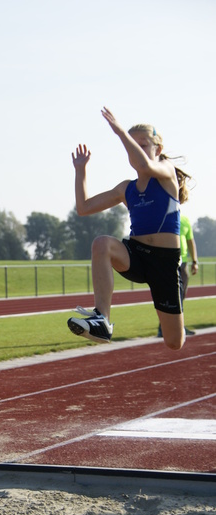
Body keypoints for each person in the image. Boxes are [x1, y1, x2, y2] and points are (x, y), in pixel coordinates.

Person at [68, 106, 191, 351]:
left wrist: (120, 132)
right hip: (136, 254)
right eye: (133, 145)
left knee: (174, 342)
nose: (136, 149)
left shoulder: (166, 173)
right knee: (101, 243)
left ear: (158, 149)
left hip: (164, 263)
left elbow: (145, 166)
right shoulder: (127, 188)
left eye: (143, 145)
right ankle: (102, 319)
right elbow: (83, 207)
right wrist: (80, 170)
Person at [157, 213, 199, 337]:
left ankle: (178, 326)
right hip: (168, 262)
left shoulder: (185, 220)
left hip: (184, 263)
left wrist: (195, 261)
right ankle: (163, 328)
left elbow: (191, 242)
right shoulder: (163, 216)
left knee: (181, 296)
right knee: (169, 296)